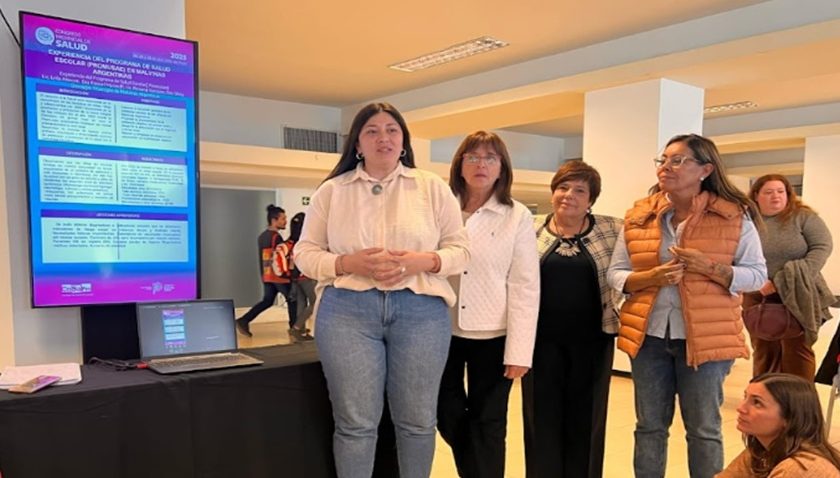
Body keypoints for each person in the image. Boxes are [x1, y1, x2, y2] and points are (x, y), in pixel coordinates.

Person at [294, 102, 470, 478]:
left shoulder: (432, 187)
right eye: (371, 131)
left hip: (421, 312)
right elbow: (304, 254)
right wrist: (346, 263)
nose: (383, 138)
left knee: (418, 422)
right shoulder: (332, 191)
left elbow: (461, 252)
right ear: (357, 144)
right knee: (355, 424)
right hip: (347, 312)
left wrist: (422, 261)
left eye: (392, 130)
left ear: (404, 141)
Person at [607, 133, 768, 478]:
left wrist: (709, 267)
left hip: (707, 341)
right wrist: (651, 277)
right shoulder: (639, 216)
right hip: (648, 338)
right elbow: (616, 273)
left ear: (705, 169)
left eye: (678, 160)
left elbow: (757, 276)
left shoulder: (733, 216)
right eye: (663, 160)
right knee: (649, 427)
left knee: (703, 429)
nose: (666, 167)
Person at [436, 131, 540, 478]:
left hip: (494, 335)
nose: (481, 164)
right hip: (440, 329)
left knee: (489, 421)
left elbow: (525, 284)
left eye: (490, 158)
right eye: (473, 157)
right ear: (459, 164)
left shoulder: (516, 215)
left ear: (502, 168)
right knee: (445, 413)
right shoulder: (441, 207)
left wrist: (520, 351)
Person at [522, 160, 623, 478]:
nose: (569, 195)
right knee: (541, 419)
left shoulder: (612, 229)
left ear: (591, 199)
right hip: (539, 343)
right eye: (563, 187)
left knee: (587, 420)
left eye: (580, 190)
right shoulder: (529, 228)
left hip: (593, 341)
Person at [745, 174, 834, 380]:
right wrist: (757, 281)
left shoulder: (803, 217)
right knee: (763, 350)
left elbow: (822, 246)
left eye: (780, 191)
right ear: (756, 195)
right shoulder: (746, 221)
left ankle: (800, 396)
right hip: (758, 294)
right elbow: (735, 254)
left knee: (797, 350)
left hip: (798, 291)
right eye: (768, 192)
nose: (775, 196)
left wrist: (784, 281)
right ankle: (764, 393)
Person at [717, 373, 840, 477]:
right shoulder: (762, 450)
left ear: (789, 417)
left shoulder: (798, 468)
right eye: (745, 397)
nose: (741, 408)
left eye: (757, 403)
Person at [235, 204, 297, 337]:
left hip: (267, 276)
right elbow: (279, 257)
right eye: (283, 218)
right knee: (293, 299)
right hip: (278, 277)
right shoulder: (276, 237)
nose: (285, 221)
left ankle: (244, 320)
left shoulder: (262, 236)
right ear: (274, 220)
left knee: (267, 300)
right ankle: (294, 329)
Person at [275, 211, 314, 341]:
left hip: (295, 278)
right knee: (315, 302)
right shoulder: (305, 243)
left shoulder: (291, 243)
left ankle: (300, 331)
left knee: (301, 303)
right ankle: (296, 328)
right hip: (306, 276)